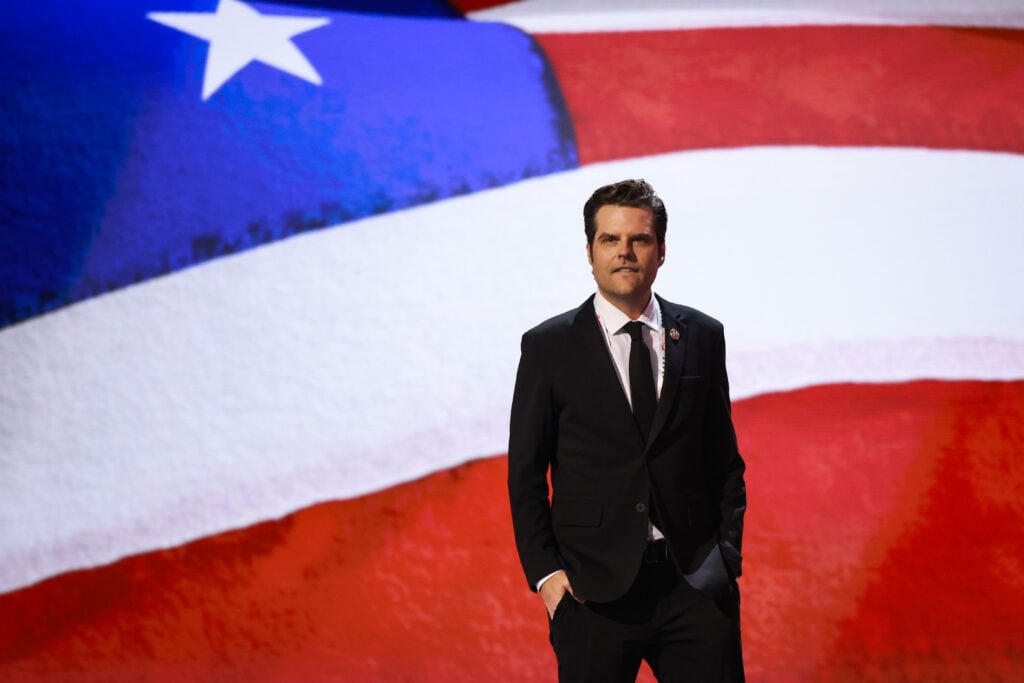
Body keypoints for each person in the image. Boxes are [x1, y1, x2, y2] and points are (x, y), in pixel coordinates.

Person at [508, 179, 746, 682]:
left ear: (661, 252)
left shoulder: (703, 335)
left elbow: (723, 459)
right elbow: (525, 476)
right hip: (592, 594)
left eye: (639, 239)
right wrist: (549, 579)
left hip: (694, 586)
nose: (625, 252)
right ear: (589, 252)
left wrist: (725, 558)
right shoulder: (548, 347)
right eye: (610, 240)